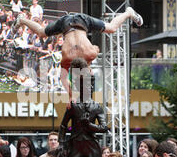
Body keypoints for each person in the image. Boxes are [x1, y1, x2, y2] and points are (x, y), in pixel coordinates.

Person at [12, 6, 143, 100]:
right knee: (41, 32)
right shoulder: (69, 59)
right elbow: (63, 78)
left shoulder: (90, 55)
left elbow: (96, 48)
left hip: (81, 22)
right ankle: (22, 20)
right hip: (68, 24)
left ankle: (128, 13)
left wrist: (71, 97)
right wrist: (70, 96)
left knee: (111, 28)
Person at [58, 57, 109, 157]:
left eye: (89, 85)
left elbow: (104, 127)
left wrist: (89, 125)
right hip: (75, 146)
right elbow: (63, 126)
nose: (87, 87)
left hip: (91, 145)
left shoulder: (96, 106)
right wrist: (61, 144)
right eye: (84, 85)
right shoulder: (72, 106)